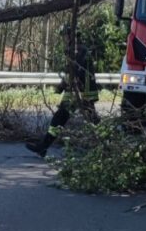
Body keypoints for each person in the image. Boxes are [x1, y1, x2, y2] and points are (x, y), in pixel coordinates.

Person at [26, 28, 100, 158]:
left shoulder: (78, 51)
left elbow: (75, 72)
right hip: (78, 91)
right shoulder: (78, 49)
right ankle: (106, 143)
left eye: (65, 36)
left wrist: (62, 86)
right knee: (86, 119)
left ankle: (43, 146)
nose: (63, 39)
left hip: (80, 91)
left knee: (61, 118)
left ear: (71, 36)